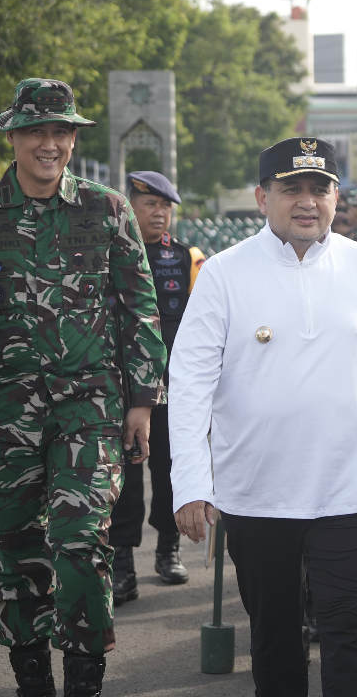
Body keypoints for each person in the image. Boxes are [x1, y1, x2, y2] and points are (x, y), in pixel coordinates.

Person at [0, 78, 166, 697]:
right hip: (5, 413)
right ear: (14, 136)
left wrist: (141, 402)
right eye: (36, 131)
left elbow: (140, 308)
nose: (49, 143)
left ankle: (85, 678)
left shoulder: (106, 210)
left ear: (73, 138)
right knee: (21, 550)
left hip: (90, 407)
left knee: (81, 541)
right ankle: (32, 679)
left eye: (61, 132)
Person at [169, 137, 357, 697]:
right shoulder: (223, 273)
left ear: (338, 198)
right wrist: (190, 482)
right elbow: (189, 385)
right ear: (263, 198)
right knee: (275, 639)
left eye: (320, 189)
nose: (307, 202)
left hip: (353, 489)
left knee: (349, 636)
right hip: (258, 493)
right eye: (292, 189)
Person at [108, 170, 206, 605]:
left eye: (166, 206)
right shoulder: (107, 253)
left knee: (169, 470)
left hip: (172, 388)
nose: (160, 213)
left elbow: (204, 328)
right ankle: (122, 562)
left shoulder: (187, 259)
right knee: (123, 478)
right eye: (150, 205)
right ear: (130, 206)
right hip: (119, 385)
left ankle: (168, 550)